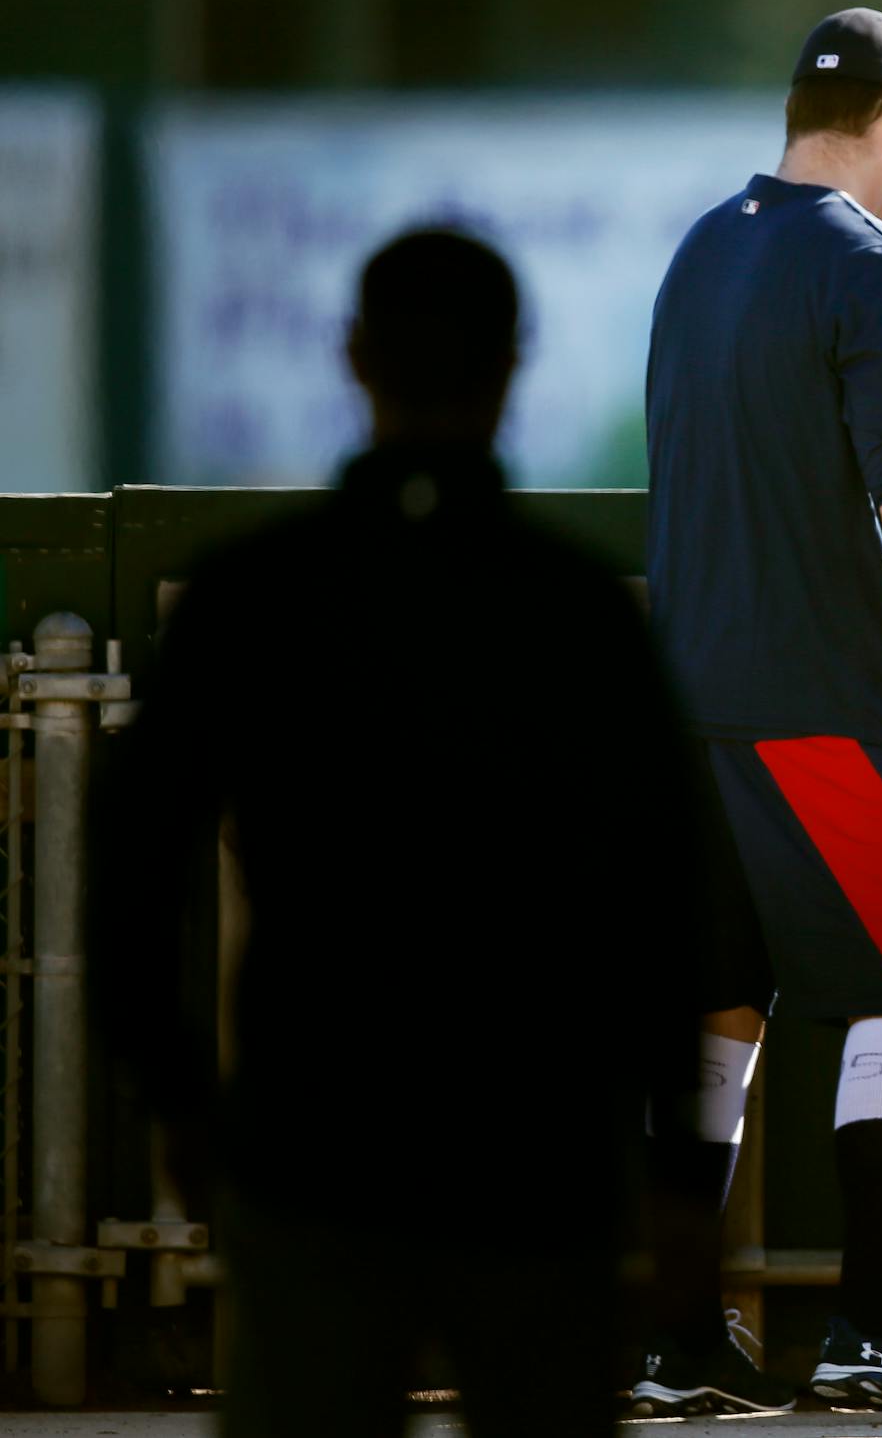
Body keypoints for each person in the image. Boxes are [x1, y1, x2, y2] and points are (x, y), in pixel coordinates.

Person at [93, 229, 741, 1438]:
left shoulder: (256, 596)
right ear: (511, 368)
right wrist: (669, 1173)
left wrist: (181, 1095)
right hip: (534, 1151)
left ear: (355, 358)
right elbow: (662, 895)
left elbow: (131, 868)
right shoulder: (575, 617)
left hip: (313, 1130)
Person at [638, 6, 882, 1424]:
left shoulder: (701, 248)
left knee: (712, 1020)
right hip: (826, 712)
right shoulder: (879, 264)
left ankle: (677, 1342)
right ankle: (871, 1321)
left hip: (683, 706)